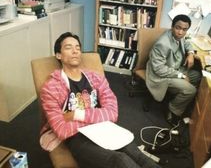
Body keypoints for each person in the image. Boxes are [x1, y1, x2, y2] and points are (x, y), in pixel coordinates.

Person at [39, 32, 162, 168]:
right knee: (119, 160)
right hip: (76, 137)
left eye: (78, 48)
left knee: (139, 155)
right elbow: (61, 129)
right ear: (58, 55)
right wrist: (98, 117)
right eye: (68, 47)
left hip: (102, 128)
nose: (75, 51)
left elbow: (112, 113)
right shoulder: (51, 88)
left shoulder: (96, 78)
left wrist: (77, 114)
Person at [146, 14, 202, 126]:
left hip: (174, 68)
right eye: (178, 28)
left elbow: (186, 43)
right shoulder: (162, 43)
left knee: (198, 76)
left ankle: (181, 99)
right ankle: (172, 109)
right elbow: (159, 69)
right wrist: (181, 76)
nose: (180, 32)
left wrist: (190, 54)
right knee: (191, 90)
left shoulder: (179, 36)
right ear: (172, 27)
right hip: (161, 75)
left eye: (184, 29)